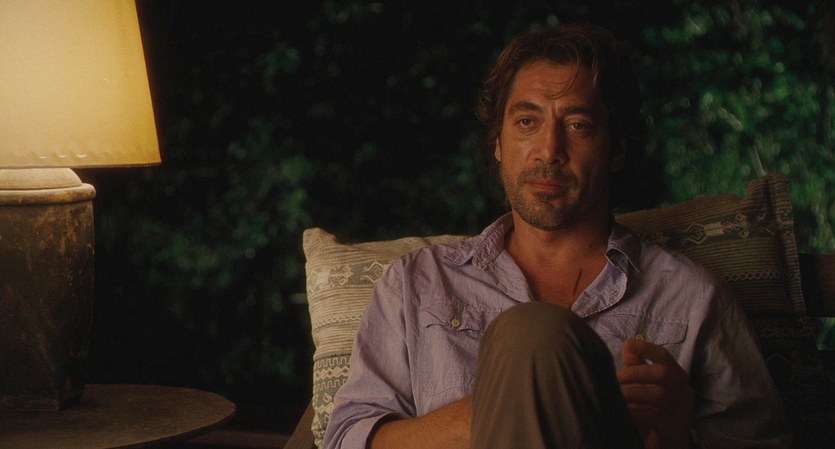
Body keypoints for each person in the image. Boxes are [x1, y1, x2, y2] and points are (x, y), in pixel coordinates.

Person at [323, 23, 792, 449]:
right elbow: (346, 439)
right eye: (527, 122)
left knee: (535, 334)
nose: (549, 150)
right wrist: (489, 416)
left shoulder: (692, 299)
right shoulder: (417, 283)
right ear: (498, 144)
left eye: (578, 125)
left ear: (617, 150)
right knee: (533, 335)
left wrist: (675, 438)